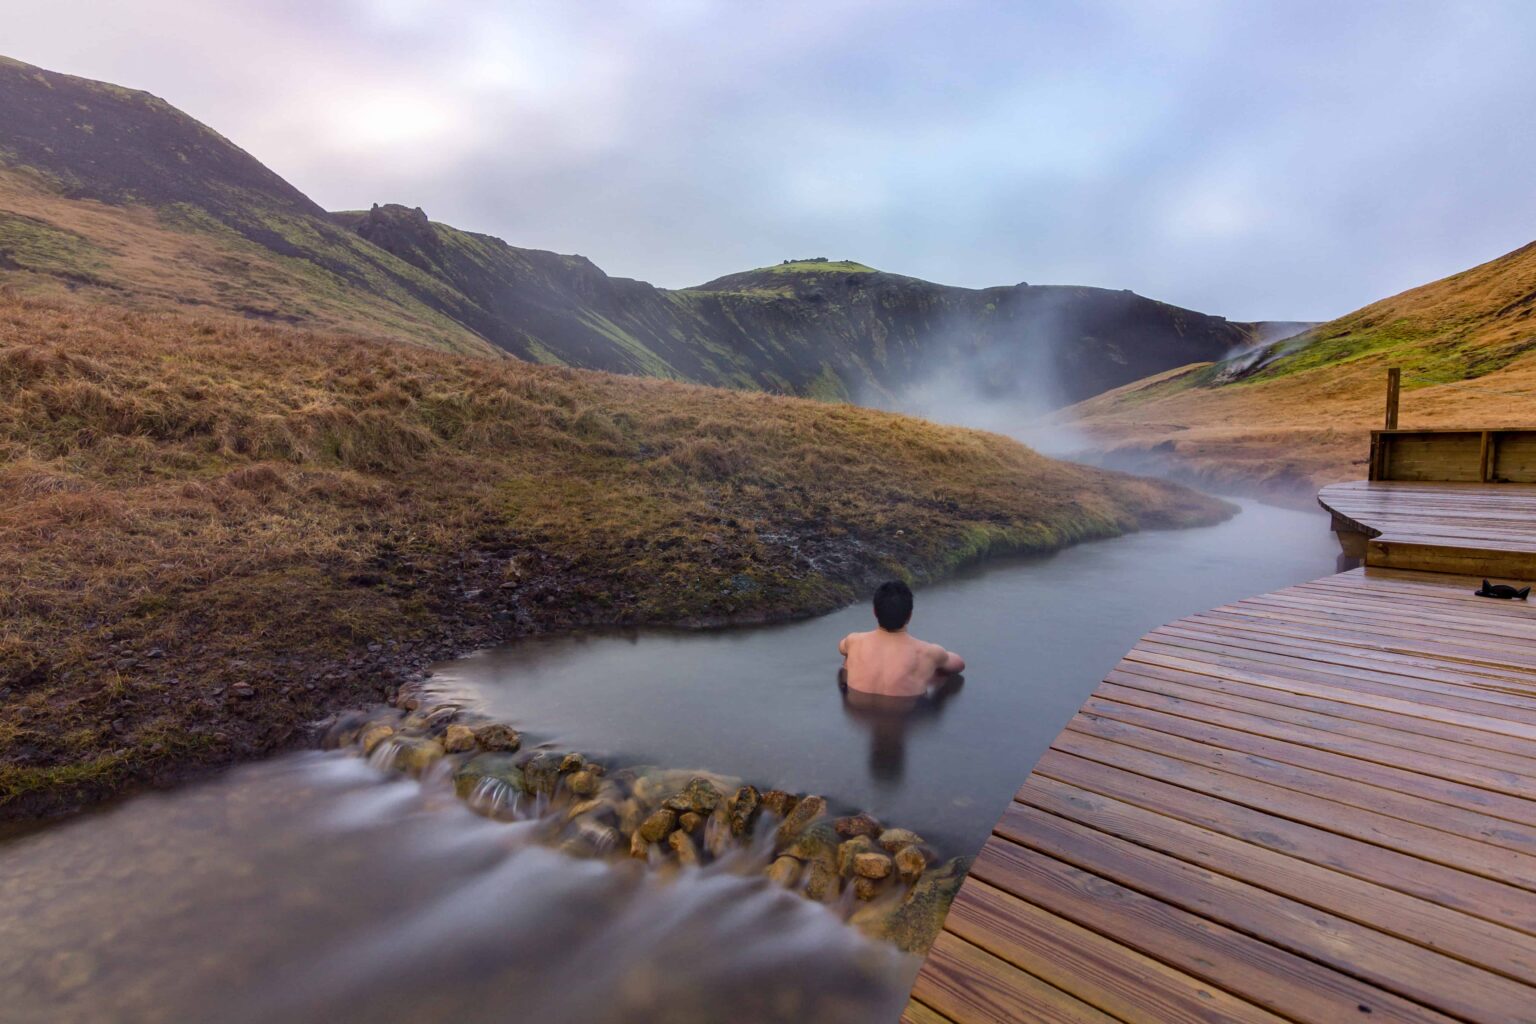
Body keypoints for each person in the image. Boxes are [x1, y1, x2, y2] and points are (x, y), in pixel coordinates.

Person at [837, 580, 964, 697]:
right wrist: (936, 661)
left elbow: (841, 648)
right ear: (910, 615)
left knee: (849, 658)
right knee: (939, 672)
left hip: (857, 711)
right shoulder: (927, 652)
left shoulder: (854, 641)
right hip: (905, 714)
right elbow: (959, 664)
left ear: (875, 612)